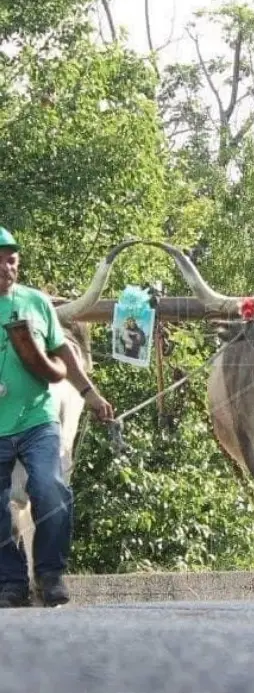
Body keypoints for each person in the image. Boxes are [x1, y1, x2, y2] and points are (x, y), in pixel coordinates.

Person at [0, 227, 113, 608]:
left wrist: (91, 394)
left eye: (11, 259)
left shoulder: (36, 303)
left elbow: (61, 352)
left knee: (50, 488)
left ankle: (50, 575)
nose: (5, 266)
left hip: (37, 419)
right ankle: (11, 581)